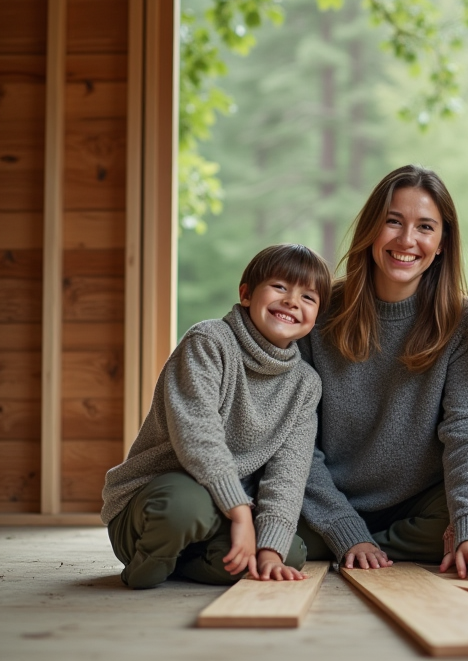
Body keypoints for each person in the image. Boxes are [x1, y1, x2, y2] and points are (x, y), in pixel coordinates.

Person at [296, 165, 468, 580]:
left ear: (443, 242)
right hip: (330, 500)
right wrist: (344, 528)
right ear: (371, 228)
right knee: (282, 533)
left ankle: (369, 549)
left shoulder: (463, 322)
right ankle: (354, 544)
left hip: (422, 505)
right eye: (393, 221)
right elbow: (296, 439)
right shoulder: (318, 311)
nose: (407, 240)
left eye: (425, 227)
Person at [101, 244, 332, 589]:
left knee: (288, 552)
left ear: (316, 316)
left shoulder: (305, 384)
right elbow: (197, 434)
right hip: (155, 507)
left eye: (308, 297)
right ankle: (145, 561)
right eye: (280, 287)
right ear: (246, 294)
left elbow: (289, 471)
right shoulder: (208, 341)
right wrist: (240, 512)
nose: (292, 301)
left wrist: (268, 550)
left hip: (219, 515)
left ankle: (180, 566)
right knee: (185, 505)